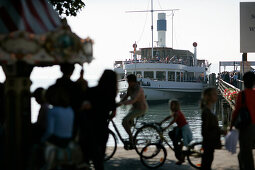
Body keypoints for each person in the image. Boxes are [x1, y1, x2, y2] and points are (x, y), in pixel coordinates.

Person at [79, 70, 118, 170]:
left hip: (89, 129)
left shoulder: (91, 91)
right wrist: (105, 117)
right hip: (102, 129)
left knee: (85, 160)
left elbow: (82, 106)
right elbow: (113, 114)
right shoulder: (111, 95)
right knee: (99, 162)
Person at [46, 63, 84, 139]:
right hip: (74, 119)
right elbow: (81, 102)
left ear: (60, 69)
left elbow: (47, 98)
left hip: (56, 119)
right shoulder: (76, 87)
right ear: (73, 71)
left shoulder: (54, 87)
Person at [231, 71, 255, 170]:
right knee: (246, 152)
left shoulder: (242, 94)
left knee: (245, 152)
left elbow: (236, 111)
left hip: (246, 126)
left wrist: (231, 126)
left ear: (244, 82)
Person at [159, 100, 193, 165]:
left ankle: (181, 158)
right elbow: (168, 117)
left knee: (176, 143)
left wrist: (166, 127)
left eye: (173, 105)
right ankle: (180, 146)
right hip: (180, 128)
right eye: (171, 105)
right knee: (171, 134)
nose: (171, 106)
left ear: (176, 106)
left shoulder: (177, 113)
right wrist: (161, 122)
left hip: (184, 128)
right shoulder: (175, 112)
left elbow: (173, 121)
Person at [120, 74, 148, 143]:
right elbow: (126, 97)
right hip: (134, 108)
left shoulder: (138, 89)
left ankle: (131, 138)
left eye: (128, 81)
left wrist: (123, 103)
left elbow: (133, 100)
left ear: (132, 81)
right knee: (128, 124)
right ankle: (132, 137)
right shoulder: (130, 88)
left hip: (141, 109)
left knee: (124, 121)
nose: (127, 83)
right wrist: (117, 104)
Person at [200, 88, 222, 170]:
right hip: (209, 143)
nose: (216, 95)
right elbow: (205, 130)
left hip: (209, 143)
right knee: (206, 164)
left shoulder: (209, 110)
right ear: (208, 97)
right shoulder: (206, 111)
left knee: (207, 163)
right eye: (214, 94)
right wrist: (219, 132)